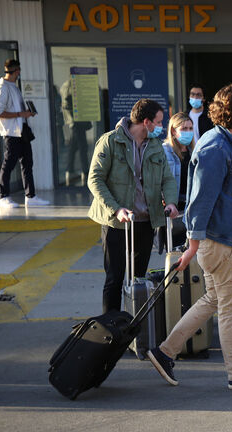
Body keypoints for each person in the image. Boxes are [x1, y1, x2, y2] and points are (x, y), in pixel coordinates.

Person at [147, 84, 232, 392]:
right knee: (230, 310)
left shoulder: (220, 142)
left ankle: (165, 352)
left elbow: (220, 189)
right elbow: (200, 200)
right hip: (221, 242)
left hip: (219, 238)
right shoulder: (216, 147)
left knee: (213, 300)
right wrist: (192, 245)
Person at [87, 98, 179, 313]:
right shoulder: (110, 141)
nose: (161, 127)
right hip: (116, 222)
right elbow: (95, 179)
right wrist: (116, 208)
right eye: (158, 122)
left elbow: (167, 178)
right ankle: (111, 328)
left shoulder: (155, 145)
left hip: (145, 220)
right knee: (115, 277)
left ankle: (137, 329)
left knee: (139, 279)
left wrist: (172, 202)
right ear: (146, 122)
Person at [0, 59, 49, 208]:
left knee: (27, 163)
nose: (19, 73)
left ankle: (30, 196)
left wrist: (27, 113)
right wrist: (20, 113)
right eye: (18, 70)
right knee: (9, 164)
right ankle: (3, 196)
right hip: (11, 133)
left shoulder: (14, 87)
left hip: (22, 131)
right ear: (15, 70)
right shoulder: (2, 87)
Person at [160, 112, 195, 249]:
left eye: (190, 128)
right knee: (174, 252)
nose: (188, 132)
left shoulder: (194, 151)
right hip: (174, 208)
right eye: (184, 129)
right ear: (173, 131)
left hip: (191, 207)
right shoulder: (164, 151)